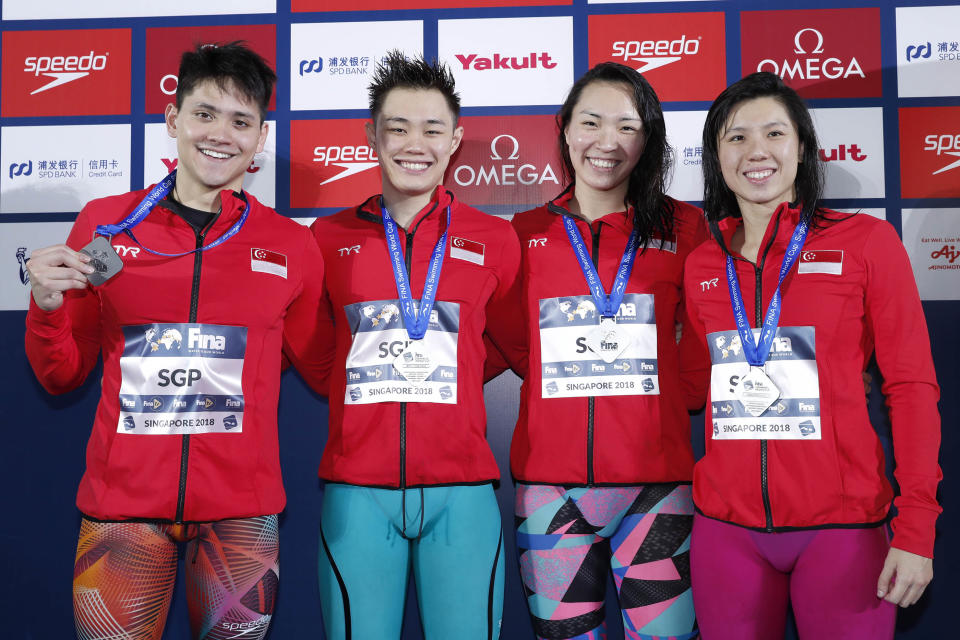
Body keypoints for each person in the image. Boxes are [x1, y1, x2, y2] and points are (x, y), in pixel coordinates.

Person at [24, 42, 326, 640]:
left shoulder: (293, 245)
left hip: (242, 515)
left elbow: (323, 365)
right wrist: (46, 307)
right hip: (123, 511)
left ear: (260, 137)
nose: (221, 134)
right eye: (205, 114)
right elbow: (62, 373)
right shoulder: (107, 226)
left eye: (242, 121)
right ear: (172, 120)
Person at [682, 71, 941, 639]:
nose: (757, 151)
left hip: (843, 530)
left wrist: (916, 525)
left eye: (774, 133)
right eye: (736, 137)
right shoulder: (702, 264)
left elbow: (912, 386)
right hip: (726, 532)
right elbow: (693, 387)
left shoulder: (866, 242)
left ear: (802, 148)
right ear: (715, 157)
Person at [300, 52, 519, 640]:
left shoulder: (497, 240)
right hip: (357, 492)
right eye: (397, 127)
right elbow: (315, 347)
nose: (413, 144)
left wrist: (458, 367)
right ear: (372, 135)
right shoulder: (325, 238)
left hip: (464, 491)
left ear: (455, 141)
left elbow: (512, 342)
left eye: (431, 129)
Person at [485, 62, 707, 640]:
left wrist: (678, 395)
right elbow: (506, 337)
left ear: (649, 137)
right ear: (564, 129)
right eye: (591, 122)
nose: (607, 142)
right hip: (551, 492)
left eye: (628, 127)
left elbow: (720, 326)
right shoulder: (521, 232)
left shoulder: (688, 229)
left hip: (657, 489)